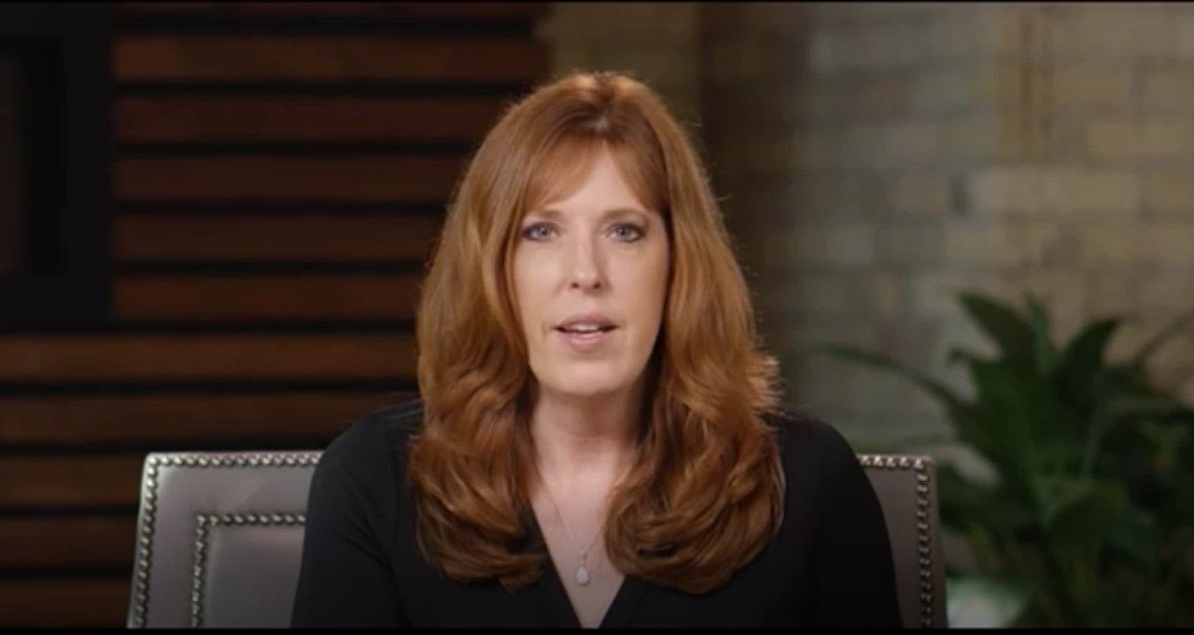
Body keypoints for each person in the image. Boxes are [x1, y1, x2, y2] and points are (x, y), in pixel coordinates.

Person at [291, 70, 901, 628]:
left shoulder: (806, 480)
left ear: (677, 262)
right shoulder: (375, 480)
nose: (585, 272)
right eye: (541, 232)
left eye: (624, 231)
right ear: (493, 268)